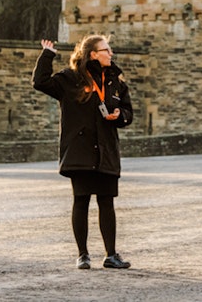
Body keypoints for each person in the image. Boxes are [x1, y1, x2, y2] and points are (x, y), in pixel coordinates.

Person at [32, 35, 134, 270]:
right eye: (106, 50)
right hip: (80, 151)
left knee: (107, 202)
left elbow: (128, 111)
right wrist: (47, 55)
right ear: (92, 54)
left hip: (106, 150)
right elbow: (40, 82)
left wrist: (121, 116)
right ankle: (83, 255)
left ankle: (111, 255)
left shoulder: (115, 81)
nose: (111, 54)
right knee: (81, 201)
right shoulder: (70, 79)